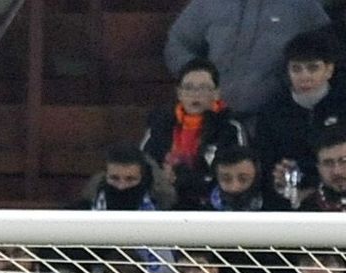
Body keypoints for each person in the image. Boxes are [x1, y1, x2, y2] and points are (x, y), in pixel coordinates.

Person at [163, 0, 328, 116]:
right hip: (212, 117)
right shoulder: (208, 3)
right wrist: (199, 80)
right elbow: (178, 43)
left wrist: (286, 83)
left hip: (273, 118)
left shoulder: (304, 6)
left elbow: (325, 52)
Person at [254, 29, 346, 207]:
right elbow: (265, 165)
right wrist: (278, 180)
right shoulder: (273, 112)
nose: (305, 77)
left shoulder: (342, 104)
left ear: (329, 69)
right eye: (297, 69)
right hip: (289, 205)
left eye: (313, 68)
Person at [142, 59, 247, 210]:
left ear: (217, 93)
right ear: (179, 93)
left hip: (211, 206)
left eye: (203, 88)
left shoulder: (230, 129)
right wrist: (161, 178)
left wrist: (183, 179)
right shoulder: (160, 124)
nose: (195, 95)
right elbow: (143, 164)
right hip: (165, 205)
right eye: (189, 88)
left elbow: (237, 176)